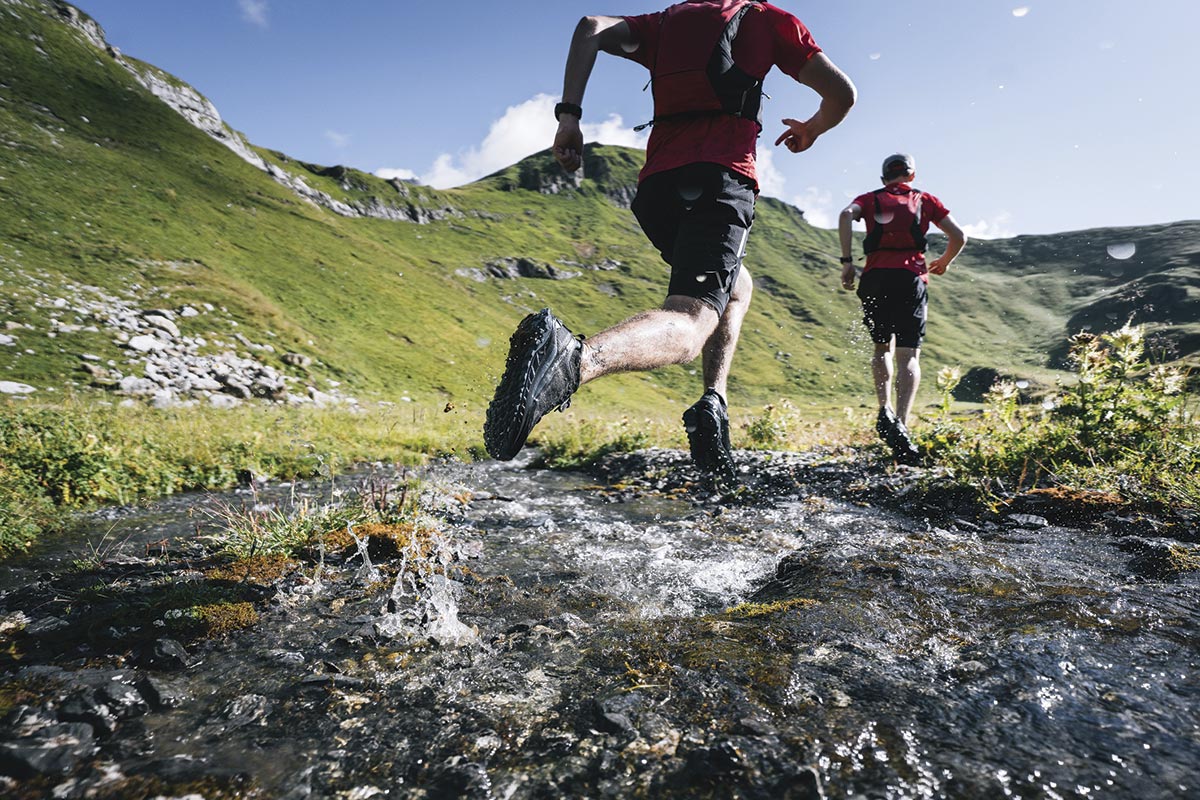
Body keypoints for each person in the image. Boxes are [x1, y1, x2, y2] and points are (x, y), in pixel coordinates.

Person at [484, 0, 856, 483]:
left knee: (735, 285)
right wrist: (812, 128)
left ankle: (712, 402)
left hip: (658, 187)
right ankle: (573, 361)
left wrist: (569, 116)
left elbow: (590, 27)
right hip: (720, 179)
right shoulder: (767, 19)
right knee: (690, 320)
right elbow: (841, 94)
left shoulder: (664, 22)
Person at [837, 153, 967, 464]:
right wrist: (944, 262)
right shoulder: (926, 200)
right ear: (911, 175)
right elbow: (959, 236)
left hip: (875, 278)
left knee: (882, 347)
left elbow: (845, 214)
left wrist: (846, 263)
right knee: (909, 354)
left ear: (884, 178)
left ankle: (884, 409)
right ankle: (901, 424)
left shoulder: (869, 199)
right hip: (911, 279)